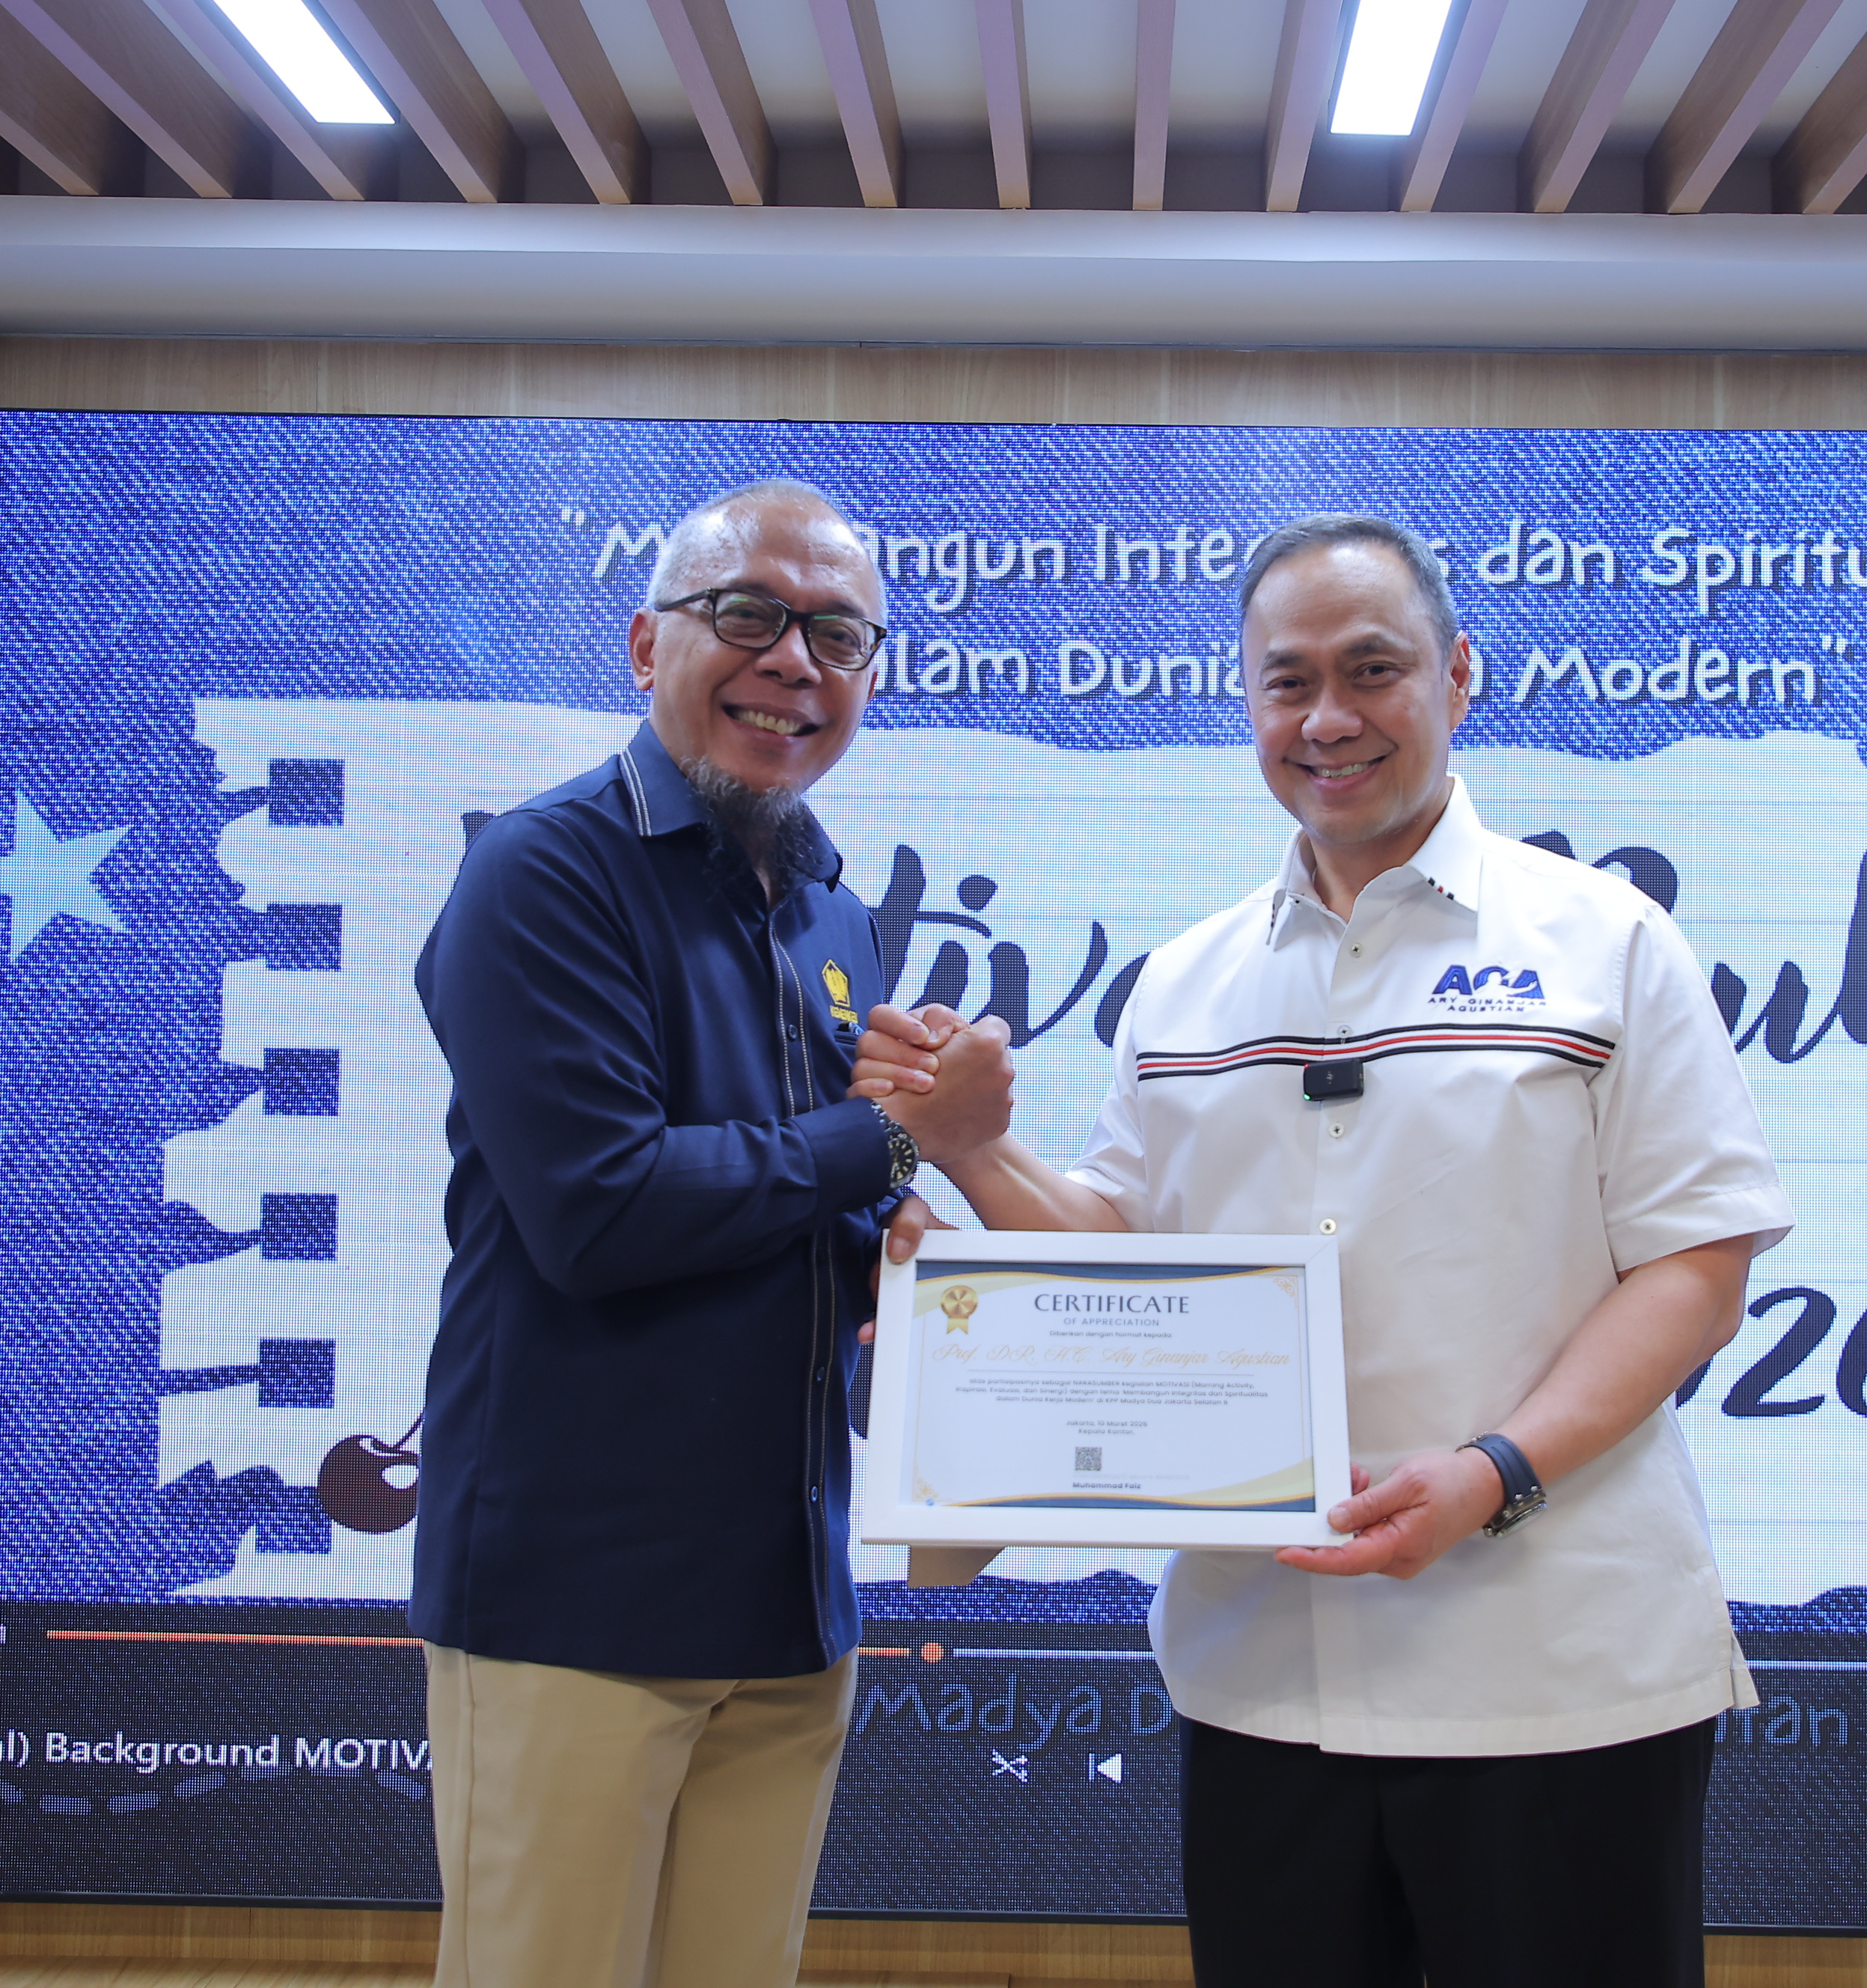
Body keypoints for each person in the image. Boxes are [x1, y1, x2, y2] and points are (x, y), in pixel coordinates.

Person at [851, 513, 1794, 1987]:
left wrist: (1494, 1471)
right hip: (1261, 1679)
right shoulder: (1186, 982)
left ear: (1458, 675)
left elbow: (1696, 1267)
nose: (1328, 718)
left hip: (1556, 1671)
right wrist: (965, 1147)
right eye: (1287, 682)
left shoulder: (1607, 942)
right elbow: (1119, 1268)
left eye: (1373, 669)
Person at [411, 480, 1007, 1988]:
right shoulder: (544, 870)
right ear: (645, 644)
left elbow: (800, 1200)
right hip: (576, 1606)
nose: (793, 659)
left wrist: (900, 1246)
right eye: (748, 612)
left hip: (788, 1603)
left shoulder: (829, 907)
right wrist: (895, 1137)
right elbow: (601, 1207)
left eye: (838, 634)